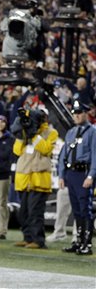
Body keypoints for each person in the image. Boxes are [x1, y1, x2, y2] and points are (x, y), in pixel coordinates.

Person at [12, 108, 58, 249]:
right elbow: (17, 151)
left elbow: (45, 149)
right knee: (24, 212)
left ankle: (38, 240)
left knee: (35, 212)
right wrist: (22, 133)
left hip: (39, 179)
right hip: (24, 178)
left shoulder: (51, 133)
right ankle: (28, 238)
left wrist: (34, 135)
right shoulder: (25, 131)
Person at [57, 101, 96, 255]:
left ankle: (87, 244)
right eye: (74, 113)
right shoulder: (71, 132)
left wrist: (91, 175)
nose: (77, 116)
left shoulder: (92, 132)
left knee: (85, 209)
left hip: (83, 173)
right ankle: (78, 241)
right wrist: (61, 175)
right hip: (71, 174)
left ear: (86, 114)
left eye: (79, 113)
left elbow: (95, 155)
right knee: (76, 210)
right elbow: (63, 156)